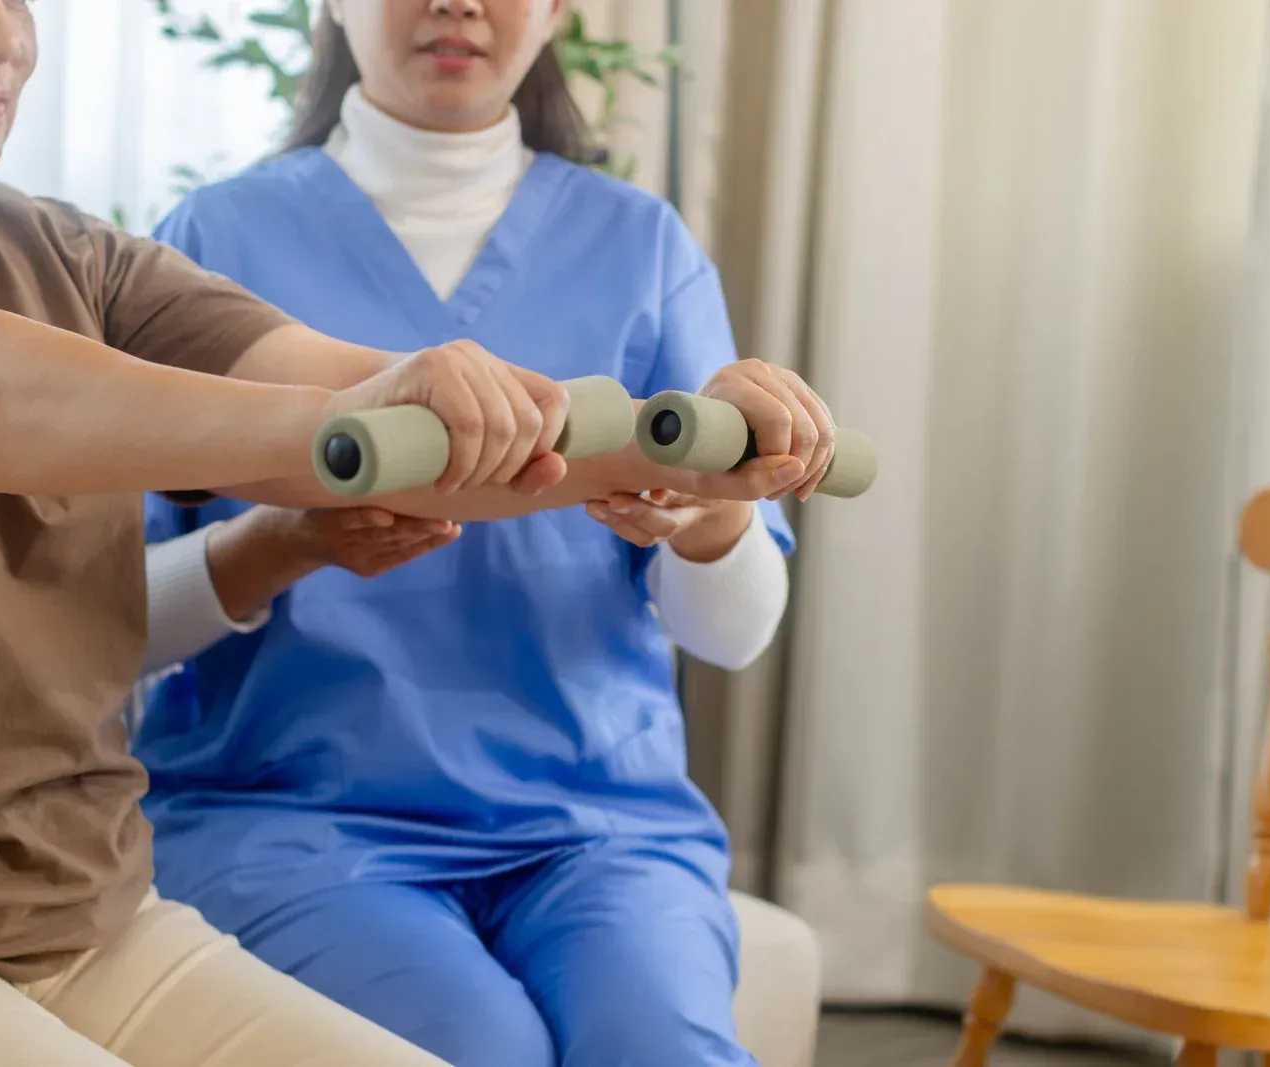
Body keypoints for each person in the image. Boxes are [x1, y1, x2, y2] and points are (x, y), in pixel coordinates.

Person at [0, 2, 825, 1065]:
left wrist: (705, 455)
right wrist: (346, 430)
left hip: (79, 919)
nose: (5, 39)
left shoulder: (68, 257)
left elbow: (403, 417)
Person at [134, 2, 835, 1065]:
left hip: (601, 829)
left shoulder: (641, 245)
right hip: (293, 819)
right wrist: (286, 538)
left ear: (556, 11)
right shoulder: (211, 244)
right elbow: (104, 616)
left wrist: (719, 509)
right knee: (481, 1046)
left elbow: (732, 634)